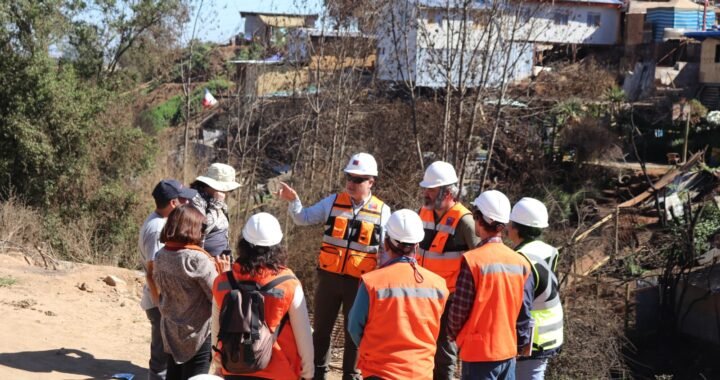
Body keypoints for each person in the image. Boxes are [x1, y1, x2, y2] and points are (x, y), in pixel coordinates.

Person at [276, 152, 391, 380]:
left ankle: (351, 374)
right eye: (349, 177)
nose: (351, 183)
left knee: (354, 333)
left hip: (360, 284)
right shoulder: (332, 202)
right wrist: (293, 201)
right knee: (321, 330)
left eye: (358, 179)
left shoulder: (383, 212)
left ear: (371, 182)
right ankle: (318, 373)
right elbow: (303, 218)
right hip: (328, 279)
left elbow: (386, 253)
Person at [211, 212, 314, 380]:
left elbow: (216, 329)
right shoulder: (289, 283)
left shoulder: (223, 282)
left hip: (234, 368)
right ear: (277, 245)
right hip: (280, 372)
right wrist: (308, 373)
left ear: (243, 243)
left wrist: (218, 364)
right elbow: (303, 335)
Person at [348, 209, 449, 380]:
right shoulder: (439, 285)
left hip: (379, 372)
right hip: (421, 372)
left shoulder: (372, 282)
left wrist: (373, 349)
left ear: (387, 243)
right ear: (417, 246)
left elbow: (354, 327)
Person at [447, 190, 534, 380]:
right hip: (507, 352)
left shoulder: (472, 261)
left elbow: (459, 311)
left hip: (478, 355)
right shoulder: (520, 263)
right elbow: (524, 312)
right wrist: (520, 343)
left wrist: (453, 335)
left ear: (478, 218)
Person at [416, 161, 481, 380]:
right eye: (426, 188)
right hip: (422, 297)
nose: (426, 193)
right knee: (423, 350)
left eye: (431, 189)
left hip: (449, 300)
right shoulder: (423, 213)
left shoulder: (465, 222)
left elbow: (481, 261)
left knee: (445, 356)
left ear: (447, 192)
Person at [153, 204, 231, 380]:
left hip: (171, 332)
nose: (203, 231)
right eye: (201, 226)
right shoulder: (197, 259)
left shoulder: (160, 255)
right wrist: (224, 275)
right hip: (198, 336)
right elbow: (220, 299)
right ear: (191, 227)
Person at [139, 179, 198, 380]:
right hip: (160, 304)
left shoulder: (161, 221)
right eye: (183, 200)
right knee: (161, 361)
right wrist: (161, 304)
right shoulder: (157, 229)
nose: (187, 204)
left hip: (163, 302)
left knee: (167, 355)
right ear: (173, 203)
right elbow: (152, 272)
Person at [507, 198, 563, 380]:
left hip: (532, 337)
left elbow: (522, 302)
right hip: (551, 332)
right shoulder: (549, 250)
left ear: (515, 227)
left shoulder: (520, 258)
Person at [191, 163, 241, 256]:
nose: (227, 192)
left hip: (220, 258)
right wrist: (216, 205)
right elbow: (202, 229)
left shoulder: (213, 198)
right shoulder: (196, 199)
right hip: (204, 258)